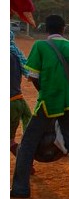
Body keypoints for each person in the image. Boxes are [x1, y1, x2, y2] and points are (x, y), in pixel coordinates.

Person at [11, 14, 69, 198]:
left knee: (27, 143)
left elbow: (32, 76)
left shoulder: (40, 46)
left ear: (46, 29)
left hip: (47, 103)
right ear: (63, 29)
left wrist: (44, 91)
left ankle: (20, 188)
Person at [10, 31, 33, 162]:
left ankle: (25, 162)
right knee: (10, 140)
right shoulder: (16, 55)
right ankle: (26, 162)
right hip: (18, 100)